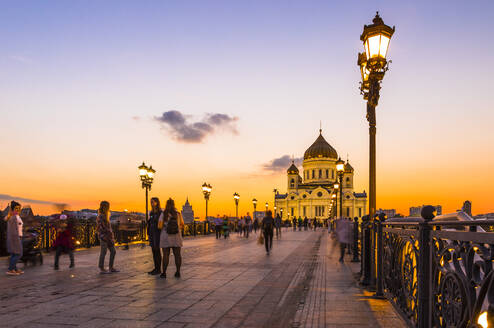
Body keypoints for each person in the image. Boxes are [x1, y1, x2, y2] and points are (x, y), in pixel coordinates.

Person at [159, 198, 184, 279]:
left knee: (165, 255)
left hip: (166, 236)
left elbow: (159, 226)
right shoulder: (178, 214)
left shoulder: (163, 214)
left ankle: (164, 273)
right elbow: (182, 225)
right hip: (176, 237)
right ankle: (178, 272)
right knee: (177, 255)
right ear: (174, 205)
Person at [97, 201, 118, 274]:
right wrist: (108, 232)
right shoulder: (101, 216)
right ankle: (101, 268)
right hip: (104, 237)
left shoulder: (106, 215)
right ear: (104, 207)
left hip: (109, 237)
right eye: (108, 206)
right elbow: (102, 227)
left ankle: (111, 267)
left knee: (113, 251)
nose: (109, 208)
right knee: (104, 252)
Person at [5, 201, 23, 276]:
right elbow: (13, 230)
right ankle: (11, 269)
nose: (19, 210)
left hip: (16, 237)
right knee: (18, 254)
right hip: (15, 238)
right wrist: (17, 238)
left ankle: (14, 268)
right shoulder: (13, 217)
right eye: (17, 208)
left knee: (14, 254)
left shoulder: (16, 216)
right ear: (13, 209)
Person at [148, 197, 163, 275]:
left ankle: (158, 269)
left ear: (157, 202)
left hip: (157, 233)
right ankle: (155, 268)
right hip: (151, 232)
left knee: (157, 250)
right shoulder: (151, 212)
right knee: (153, 251)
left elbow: (160, 223)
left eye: (153, 202)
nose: (151, 203)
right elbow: (149, 222)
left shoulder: (160, 212)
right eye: (151, 202)